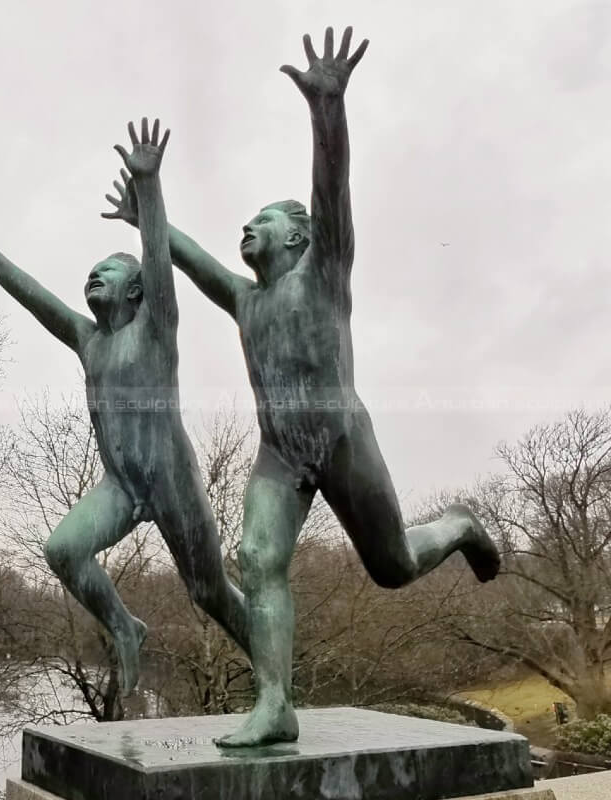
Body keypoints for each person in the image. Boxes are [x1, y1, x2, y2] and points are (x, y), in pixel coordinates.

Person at [105, 29, 500, 745]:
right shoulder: (247, 299)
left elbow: (332, 185)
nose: (245, 230)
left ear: (297, 238)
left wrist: (327, 110)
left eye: (260, 223)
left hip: (343, 441)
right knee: (257, 561)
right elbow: (186, 261)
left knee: (393, 567)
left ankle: (461, 525)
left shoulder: (324, 272)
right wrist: (148, 214)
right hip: (279, 457)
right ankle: (275, 701)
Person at [0, 118, 249, 695]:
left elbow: (158, 259)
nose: (94, 275)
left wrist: (149, 188)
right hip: (121, 485)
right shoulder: (90, 340)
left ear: (135, 291)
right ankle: (126, 626)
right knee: (62, 550)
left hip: (170, 480)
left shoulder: (157, 327)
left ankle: (271, 673)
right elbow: (36, 297)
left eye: (107, 271)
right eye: (91, 272)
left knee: (209, 591)